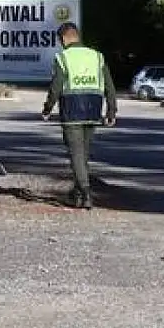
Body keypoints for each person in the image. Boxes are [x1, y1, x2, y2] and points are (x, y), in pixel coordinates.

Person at [40, 21, 116, 210]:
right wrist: (111, 110)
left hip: (72, 110)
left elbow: (56, 87)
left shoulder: (63, 57)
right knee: (83, 154)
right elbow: (109, 86)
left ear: (65, 38)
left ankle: (85, 192)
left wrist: (47, 109)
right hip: (93, 110)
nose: (60, 44)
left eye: (60, 40)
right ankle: (77, 192)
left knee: (76, 154)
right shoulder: (97, 56)